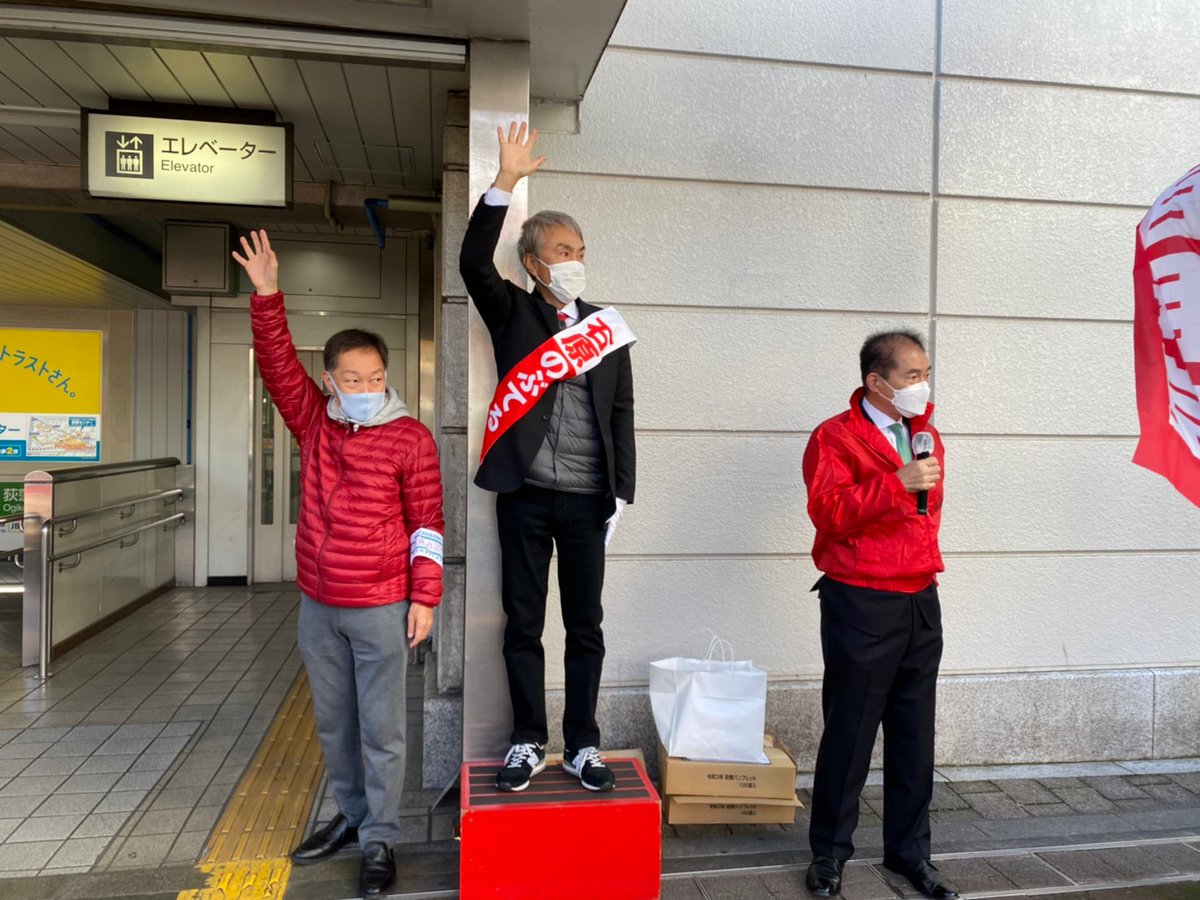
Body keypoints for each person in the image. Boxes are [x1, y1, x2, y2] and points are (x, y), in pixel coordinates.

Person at [233, 231, 445, 898]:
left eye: (375, 378)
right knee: (334, 723)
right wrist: (267, 295)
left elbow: (428, 524)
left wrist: (425, 597)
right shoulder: (314, 422)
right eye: (352, 380)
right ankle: (351, 816)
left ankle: (379, 838)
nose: (365, 389)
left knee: (382, 729)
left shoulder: (410, 437)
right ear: (330, 381)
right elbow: (276, 368)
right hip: (319, 606)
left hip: (382, 605)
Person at [459, 121, 636, 793]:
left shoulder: (604, 328)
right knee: (523, 623)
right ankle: (528, 739)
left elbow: (621, 411)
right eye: (563, 251)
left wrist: (623, 490)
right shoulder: (513, 312)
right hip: (526, 495)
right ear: (534, 264)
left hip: (589, 499)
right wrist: (504, 181)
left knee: (586, 625)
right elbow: (473, 263)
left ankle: (583, 744)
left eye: (580, 251)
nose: (574, 261)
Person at [801, 331, 959, 900]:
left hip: (919, 595)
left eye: (926, 373)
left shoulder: (924, 434)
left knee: (915, 733)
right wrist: (895, 484)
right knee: (850, 730)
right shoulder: (834, 436)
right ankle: (829, 854)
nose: (923, 385)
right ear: (876, 381)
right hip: (861, 598)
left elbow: (923, 516)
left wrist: (906, 490)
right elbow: (827, 511)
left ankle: (910, 852)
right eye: (912, 375)